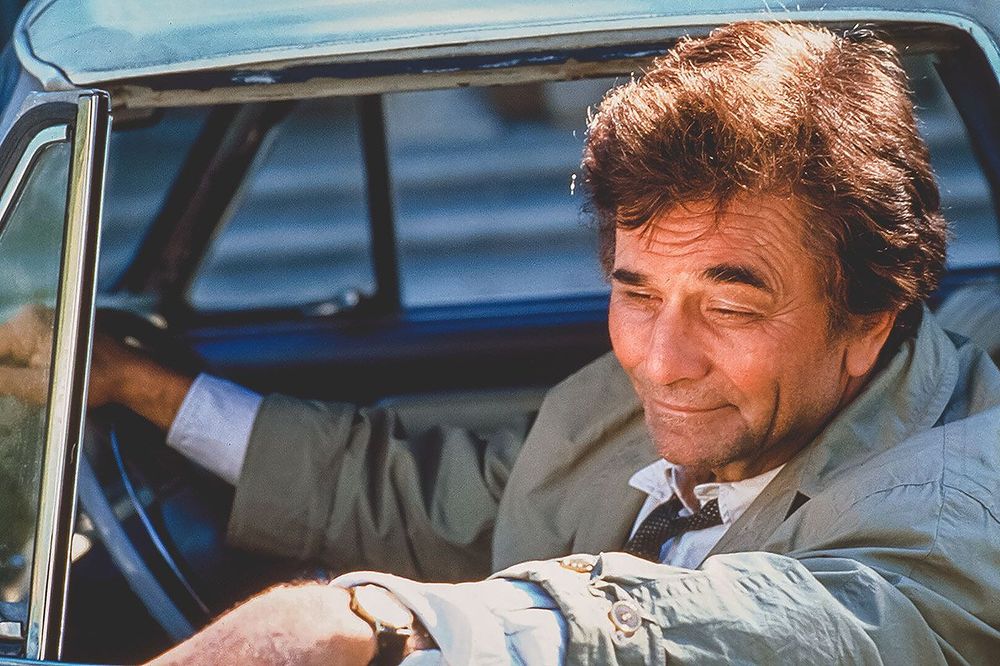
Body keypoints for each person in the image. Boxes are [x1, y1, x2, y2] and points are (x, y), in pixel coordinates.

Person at [3, 20, 999, 664]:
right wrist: (142, 388)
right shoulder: (624, 407)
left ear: (869, 319)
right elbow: (437, 502)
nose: (660, 361)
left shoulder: (955, 500)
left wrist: (383, 625)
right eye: (637, 291)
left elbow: (807, 626)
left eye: (730, 308)